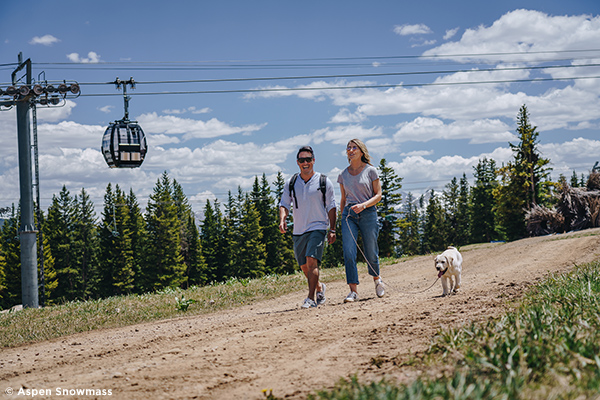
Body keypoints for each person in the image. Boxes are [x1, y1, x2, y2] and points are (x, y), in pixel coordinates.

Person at [279, 146, 337, 309]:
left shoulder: (323, 181)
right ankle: (319, 287)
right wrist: (283, 219)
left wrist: (332, 229)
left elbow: (331, 206)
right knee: (304, 267)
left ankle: (310, 298)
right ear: (297, 163)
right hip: (298, 229)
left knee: (312, 261)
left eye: (308, 159)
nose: (305, 163)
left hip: (318, 227)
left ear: (313, 161)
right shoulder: (291, 183)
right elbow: (284, 204)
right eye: (302, 160)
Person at [337, 139, 384, 302]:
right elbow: (343, 199)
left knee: (371, 250)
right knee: (349, 251)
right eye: (348, 148)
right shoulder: (343, 175)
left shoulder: (371, 171)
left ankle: (377, 280)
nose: (350, 150)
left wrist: (364, 206)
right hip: (349, 215)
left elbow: (378, 195)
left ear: (361, 151)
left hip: (368, 212)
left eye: (354, 147)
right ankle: (353, 291)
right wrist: (342, 217)